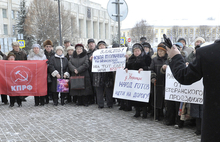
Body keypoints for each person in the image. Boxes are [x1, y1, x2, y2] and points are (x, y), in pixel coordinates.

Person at [166, 39, 220, 142]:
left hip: (215, 121)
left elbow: (184, 76)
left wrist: (176, 56)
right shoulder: (207, 52)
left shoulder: (207, 53)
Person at [125, 43, 152, 118]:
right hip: (134, 81)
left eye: (138, 51)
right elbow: (127, 66)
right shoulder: (131, 59)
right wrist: (126, 69)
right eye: (135, 51)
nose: (136, 52)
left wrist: (143, 69)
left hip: (142, 81)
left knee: (142, 97)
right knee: (135, 97)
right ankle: (137, 112)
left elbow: (149, 67)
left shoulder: (146, 58)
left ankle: (144, 112)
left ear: (141, 51)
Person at [90, 41, 114, 108]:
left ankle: (110, 104)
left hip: (107, 74)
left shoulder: (110, 53)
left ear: (105, 46)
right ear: (98, 47)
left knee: (108, 90)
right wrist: (91, 60)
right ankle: (100, 104)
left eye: (103, 45)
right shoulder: (95, 53)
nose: (102, 47)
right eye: (100, 46)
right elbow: (91, 66)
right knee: (99, 90)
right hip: (98, 74)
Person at [149, 42, 167, 121]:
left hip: (166, 82)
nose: (160, 53)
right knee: (157, 99)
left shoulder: (168, 60)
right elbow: (151, 69)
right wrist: (153, 76)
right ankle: (157, 114)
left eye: (162, 51)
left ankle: (164, 114)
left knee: (164, 99)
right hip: (157, 82)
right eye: (159, 51)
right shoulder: (154, 59)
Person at [43, 39, 55, 103]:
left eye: (49, 46)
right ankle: (46, 98)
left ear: (52, 47)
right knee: (46, 85)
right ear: (45, 47)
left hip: (52, 71)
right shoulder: (42, 54)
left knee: (53, 85)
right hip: (44, 72)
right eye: (47, 46)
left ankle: (53, 97)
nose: (48, 48)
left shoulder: (54, 54)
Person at [87, 39, 97, 104]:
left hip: (97, 71)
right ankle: (91, 99)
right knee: (90, 85)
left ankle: (97, 99)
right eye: (90, 43)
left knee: (97, 86)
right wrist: (89, 60)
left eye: (92, 43)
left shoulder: (98, 52)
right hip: (90, 71)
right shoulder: (87, 53)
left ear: (94, 44)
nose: (91, 44)